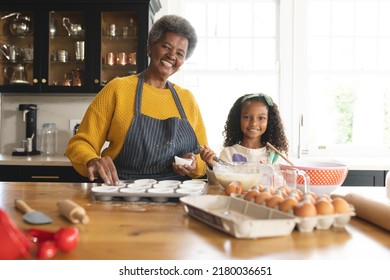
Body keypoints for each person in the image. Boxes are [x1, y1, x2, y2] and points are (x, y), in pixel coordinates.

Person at [66, 15, 208, 185]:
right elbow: (80, 143)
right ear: (150, 47)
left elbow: (203, 157)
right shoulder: (117, 89)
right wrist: (91, 159)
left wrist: (193, 165)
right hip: (122, 191)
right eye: (166, 46)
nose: (172, 56)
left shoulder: (187, 99)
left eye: (180, 53)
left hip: (174, 195)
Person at [200, 93, 289, 171]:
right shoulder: (228, 153)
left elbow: (281, 182)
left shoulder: (275, 155)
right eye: (246, 117)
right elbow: (221, 183)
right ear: (238, 119)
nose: (253, 123)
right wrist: (212, 164)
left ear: (269, 121)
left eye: (261, 118)